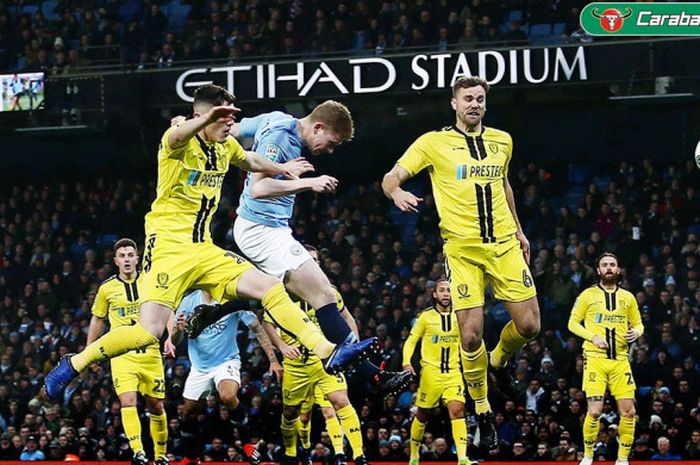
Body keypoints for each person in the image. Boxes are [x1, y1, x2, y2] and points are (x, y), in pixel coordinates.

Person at [43, 84, 376, 402]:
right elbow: (176, 133)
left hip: (203, 249)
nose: (231, 126)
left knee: (270, 289)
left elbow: (252, 161)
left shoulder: (224, 146)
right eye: (224, 120)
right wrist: (200, 119)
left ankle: (328, 352)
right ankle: (73, 364)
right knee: (147, 333)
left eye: (232, 120)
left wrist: (284, 168)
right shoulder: (177, 145)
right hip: (169, 252)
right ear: (205, 117)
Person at [186, 103, 409, 395]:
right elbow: (259, 188)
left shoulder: (275, 117)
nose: (330, 151)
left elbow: (235, 130)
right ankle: (371, 376)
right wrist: (309, 183)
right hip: (262, 231)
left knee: (270, 294)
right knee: (324, 295)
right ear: (318, 127)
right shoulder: (282, 138)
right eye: (332, 143)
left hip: (266, 228)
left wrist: (197, 126)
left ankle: (211, 313)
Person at [381, 75, 540, 451]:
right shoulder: (433, 143)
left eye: (480, 99)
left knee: (530, 326)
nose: (474, 104)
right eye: (468, 98)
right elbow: (392, 176)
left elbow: (504, 185)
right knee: (469, 334)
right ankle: (483, 413)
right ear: (454, 103)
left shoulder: (503, 141)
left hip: (503, 245)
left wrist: (519, 230)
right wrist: (396, 191)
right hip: (463, 250)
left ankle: (499, 362)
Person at [262, 245, 370, 465]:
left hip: (326, 358)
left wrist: (353, 348)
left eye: (316, 261)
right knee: (291, 412)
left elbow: (348, 318)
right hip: (296, 362)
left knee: (340, 401)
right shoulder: (280, 291)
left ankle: (359, 456)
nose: (312, 264)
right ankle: (291, 453)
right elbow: (267, 322)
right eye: (308, 259)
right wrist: (281, 347)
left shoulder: (327, 290)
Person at [169, 289, 282, 464]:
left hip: (226, 361)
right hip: (199, 367)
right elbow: (176, 339)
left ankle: (246, 443)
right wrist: (179, 331)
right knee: (188, 412)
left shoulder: (232, 301)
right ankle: (191, 456)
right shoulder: (188, 302)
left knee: (228, 396)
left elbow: (257, 329)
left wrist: (273, 360)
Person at [87, 238, 168, 465]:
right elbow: (97, 319)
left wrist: (170, 338)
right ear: (116, 261)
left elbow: (167, 308)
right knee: (128, 401)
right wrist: (90, 351)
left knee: (156, 404)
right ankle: (138, 452)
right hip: (122, 355)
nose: (127, 260)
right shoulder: (107, 289)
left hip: (150, 353)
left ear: (137, 258)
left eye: (130, 255)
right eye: (122, 256)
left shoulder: (151, 282)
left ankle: (161, 455)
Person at [568, 252, 644, 465]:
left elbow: (638, 323)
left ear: (618, 270)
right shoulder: (587, 295)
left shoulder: (628, 298)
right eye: (605, 265)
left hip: (620, 360)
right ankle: (589, 455)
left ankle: (622, 459)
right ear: (598, 270)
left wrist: (637, 332)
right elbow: (572, 323)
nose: (609, 268)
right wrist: (592, 337)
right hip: (595, 359)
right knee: (594, 411)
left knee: (629, 412)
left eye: (612, 264)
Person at [402, 279, 475, 465]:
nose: (446, 294)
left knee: (458, 411)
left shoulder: (460, 316)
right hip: (430, 374)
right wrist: (406, 363)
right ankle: (414, 456)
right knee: (423, 414)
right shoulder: (425, 317)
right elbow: (411, 341)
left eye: (449, 291)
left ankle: (462, 458)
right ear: (434, 294)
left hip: (453, 372)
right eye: (442, 290)